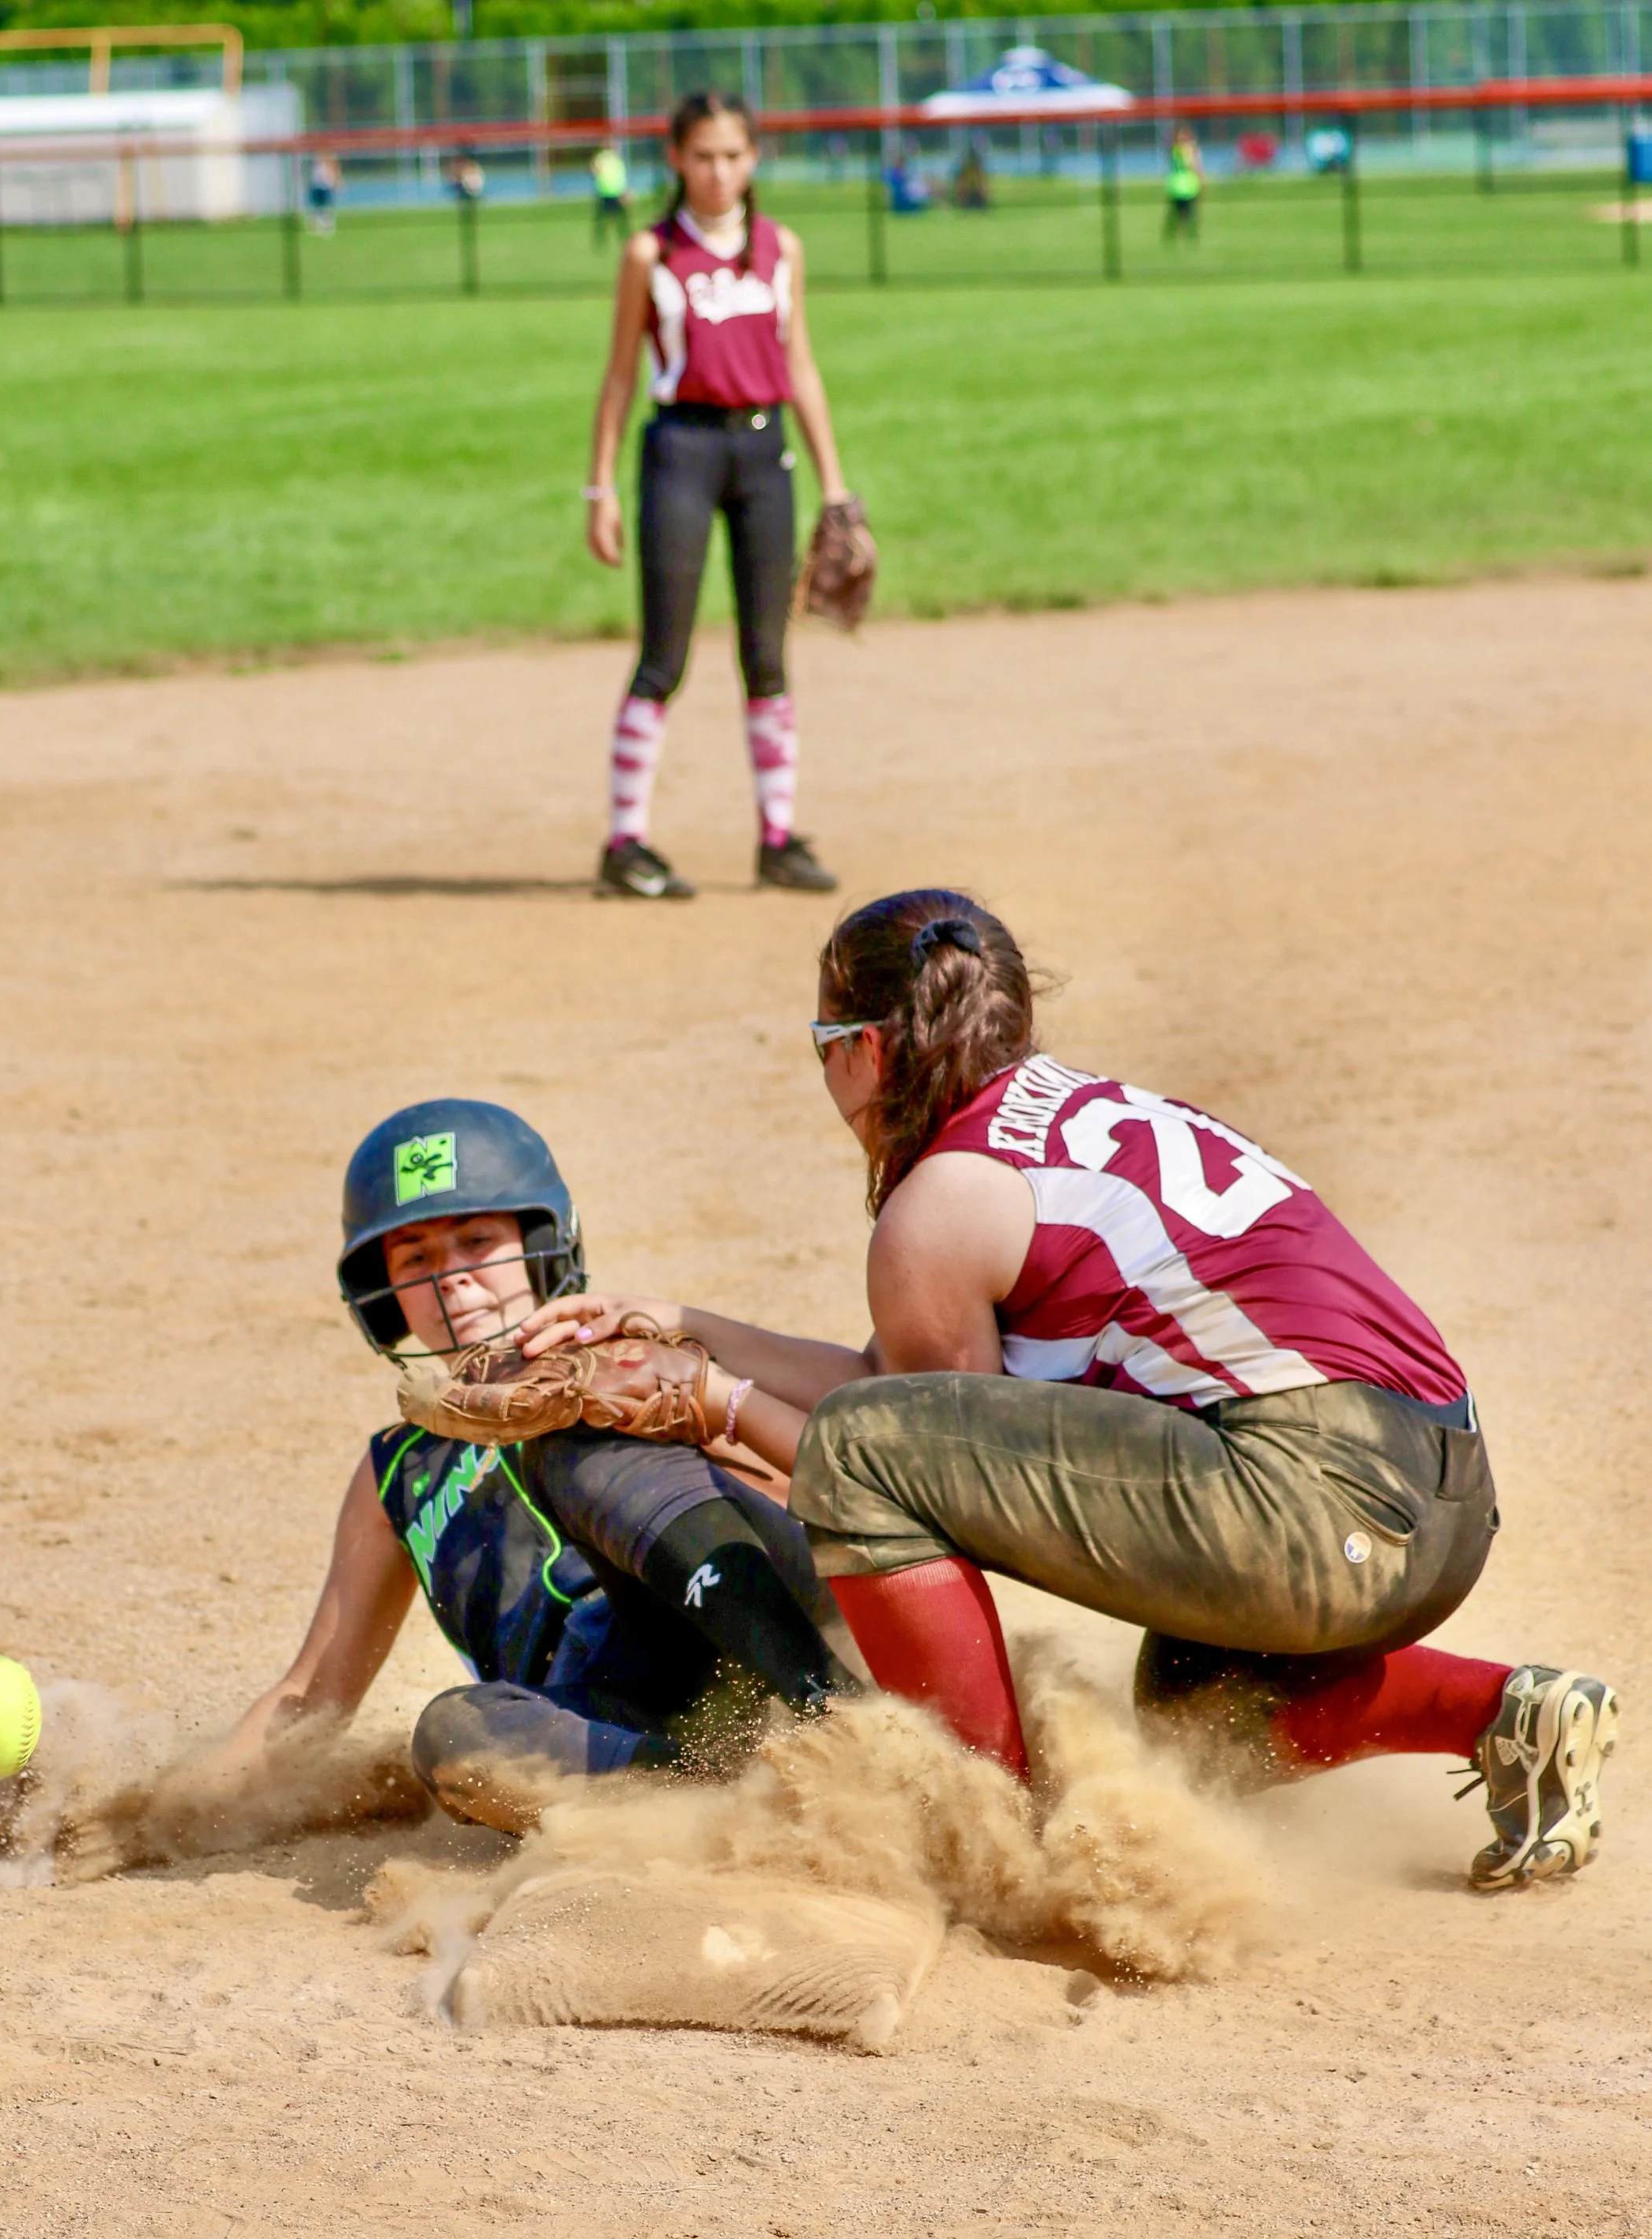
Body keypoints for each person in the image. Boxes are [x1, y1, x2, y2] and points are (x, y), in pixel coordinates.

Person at [518, 892, 1618, 1894]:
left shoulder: (942, 1197)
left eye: (821, 1046)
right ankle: (1507, 1713)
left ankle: (987, 1835)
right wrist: (689, 1322)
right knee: (1195, 1710)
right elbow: (912, 1408)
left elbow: (909, 1456)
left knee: (860, 1451)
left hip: (1314, 1490)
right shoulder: (1063, 1123)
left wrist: (708, 1401)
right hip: (1436, 1497)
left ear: (862, 1052)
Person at [175, 1097, 846, 1838]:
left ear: (542, 1242)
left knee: (569, 1436)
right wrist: (160, 1814)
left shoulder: (630, 1351)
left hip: (748, 1631)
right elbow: (311, 1697)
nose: (452, 1278)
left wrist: (662, 1409)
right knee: (455, 1735)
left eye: (476, 1240)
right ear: (382, 1292)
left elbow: (814, 1498)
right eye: (416, 1258)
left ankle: (843, 1728)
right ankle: (724, 1801)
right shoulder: (394, 1471)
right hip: (618, 1709)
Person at [585, 87, 856, 904]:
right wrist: (599, 488)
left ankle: (776, 837)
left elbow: (799, 367)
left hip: (761, 449)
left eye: (733, 155)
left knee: (766, 653)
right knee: (663, 654)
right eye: (701, 156)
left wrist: (834, 484)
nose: (717, 172)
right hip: (681, 448)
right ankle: (624, 842)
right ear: (674, 159)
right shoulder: (650, 254)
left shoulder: (780, 248)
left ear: (754, 159)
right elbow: (620, 375)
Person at [1164, 126, 1203, 243]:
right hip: (1182, 186)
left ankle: (1185, 235)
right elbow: (1192, 165)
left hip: (1187, 185)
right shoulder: (1181, 151)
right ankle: (1182, 235)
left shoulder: (1180, 150)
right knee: (1183, 212)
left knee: (1187, 212)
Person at [590, 138, 631, 247]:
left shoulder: (602, 158)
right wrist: (625, 192)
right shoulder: (616, 159)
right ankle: (624, 239)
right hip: (613, 192)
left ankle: (600, 240)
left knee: (604, 220)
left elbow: (594, 170)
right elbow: (622, 177)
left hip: (607, 193)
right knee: (619, 220)